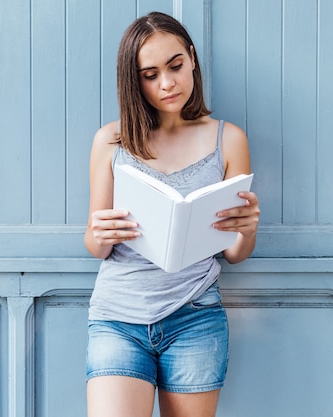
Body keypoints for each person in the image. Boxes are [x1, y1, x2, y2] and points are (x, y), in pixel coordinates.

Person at [83, 11, 260, 417]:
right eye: (150, 74)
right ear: (134, 80)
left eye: (176, 66)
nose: (167, 83)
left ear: (193, 59)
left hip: (195, 317)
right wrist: (100, 232)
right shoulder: (111, 141)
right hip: (118, 318)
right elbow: (95, 246)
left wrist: (247, 231)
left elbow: (234, 253)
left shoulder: (228, 140)